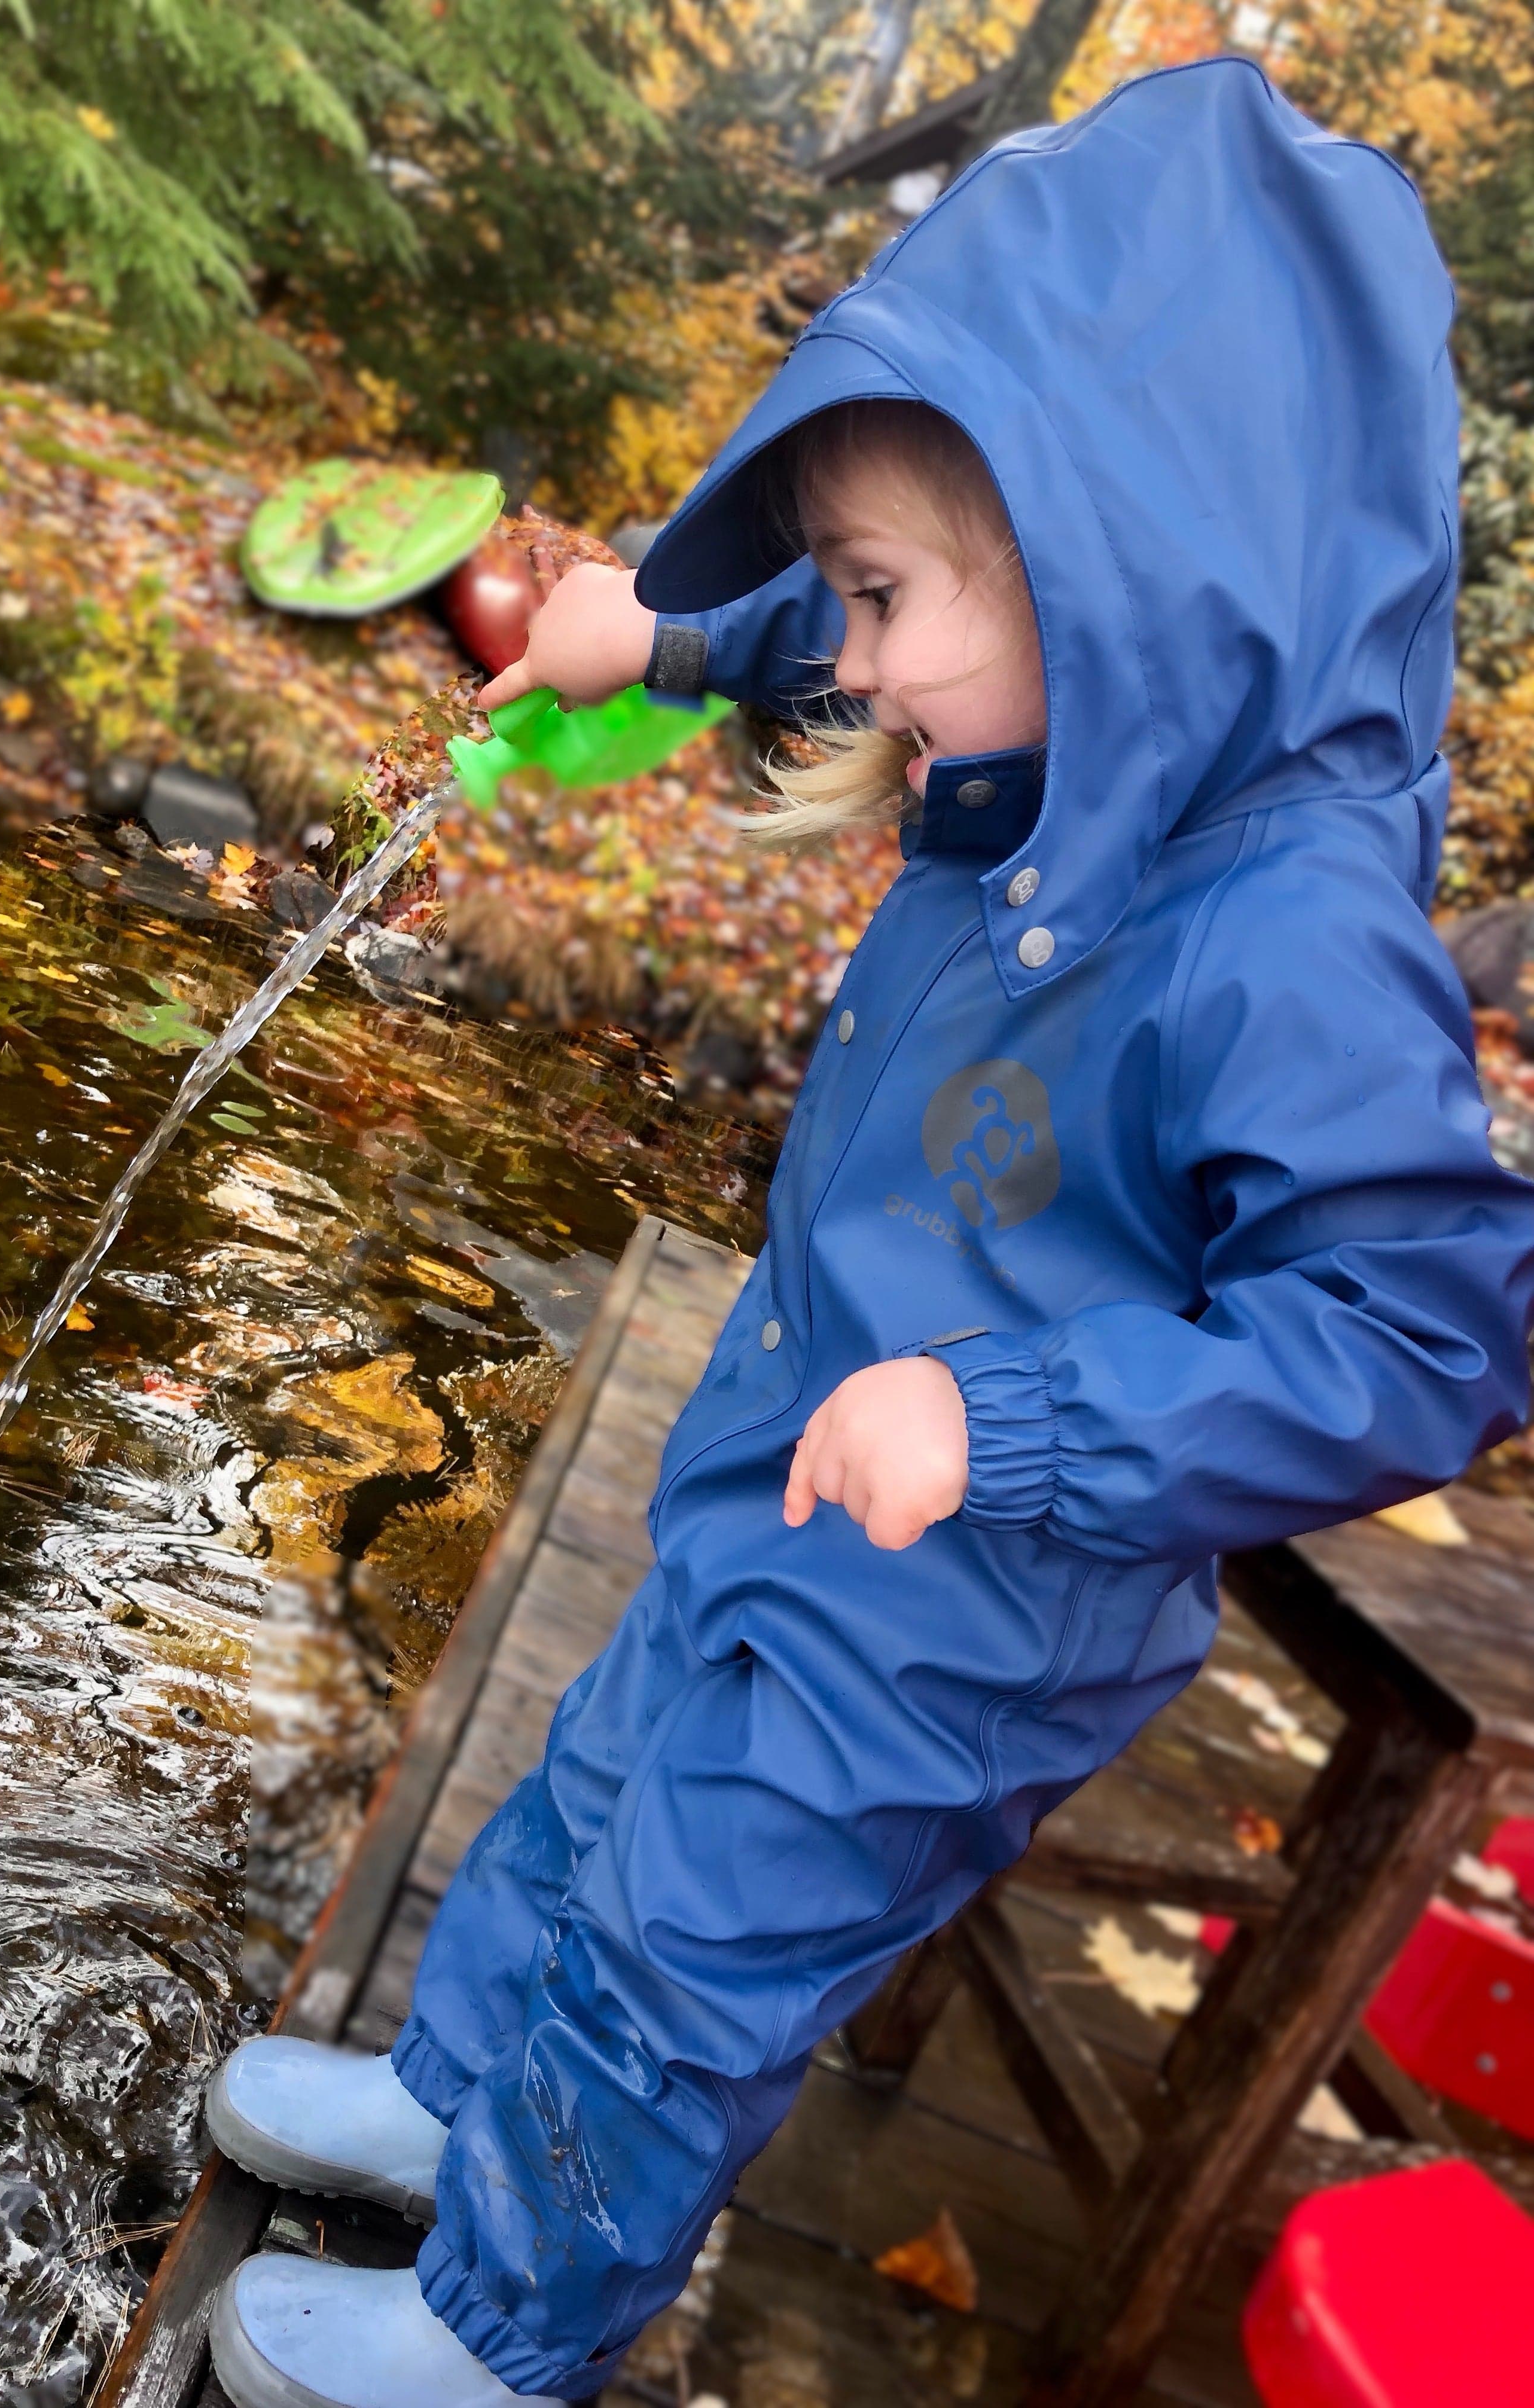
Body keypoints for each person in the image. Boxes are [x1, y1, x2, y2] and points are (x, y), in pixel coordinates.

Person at [202, 57, 1534, 2408]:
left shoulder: (1290, 932)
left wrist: (1003, 1407)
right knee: (596, 1778)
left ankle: (513, 2313)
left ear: (1137, 572)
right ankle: (451, 2098)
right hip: (797, 1437)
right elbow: (837, 623)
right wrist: (657, 633)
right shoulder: (1047, 699)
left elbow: (1423, 1326)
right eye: (863, 590)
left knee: (697, 1936)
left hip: (965, 1591)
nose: (869, 660)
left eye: (901, 594)